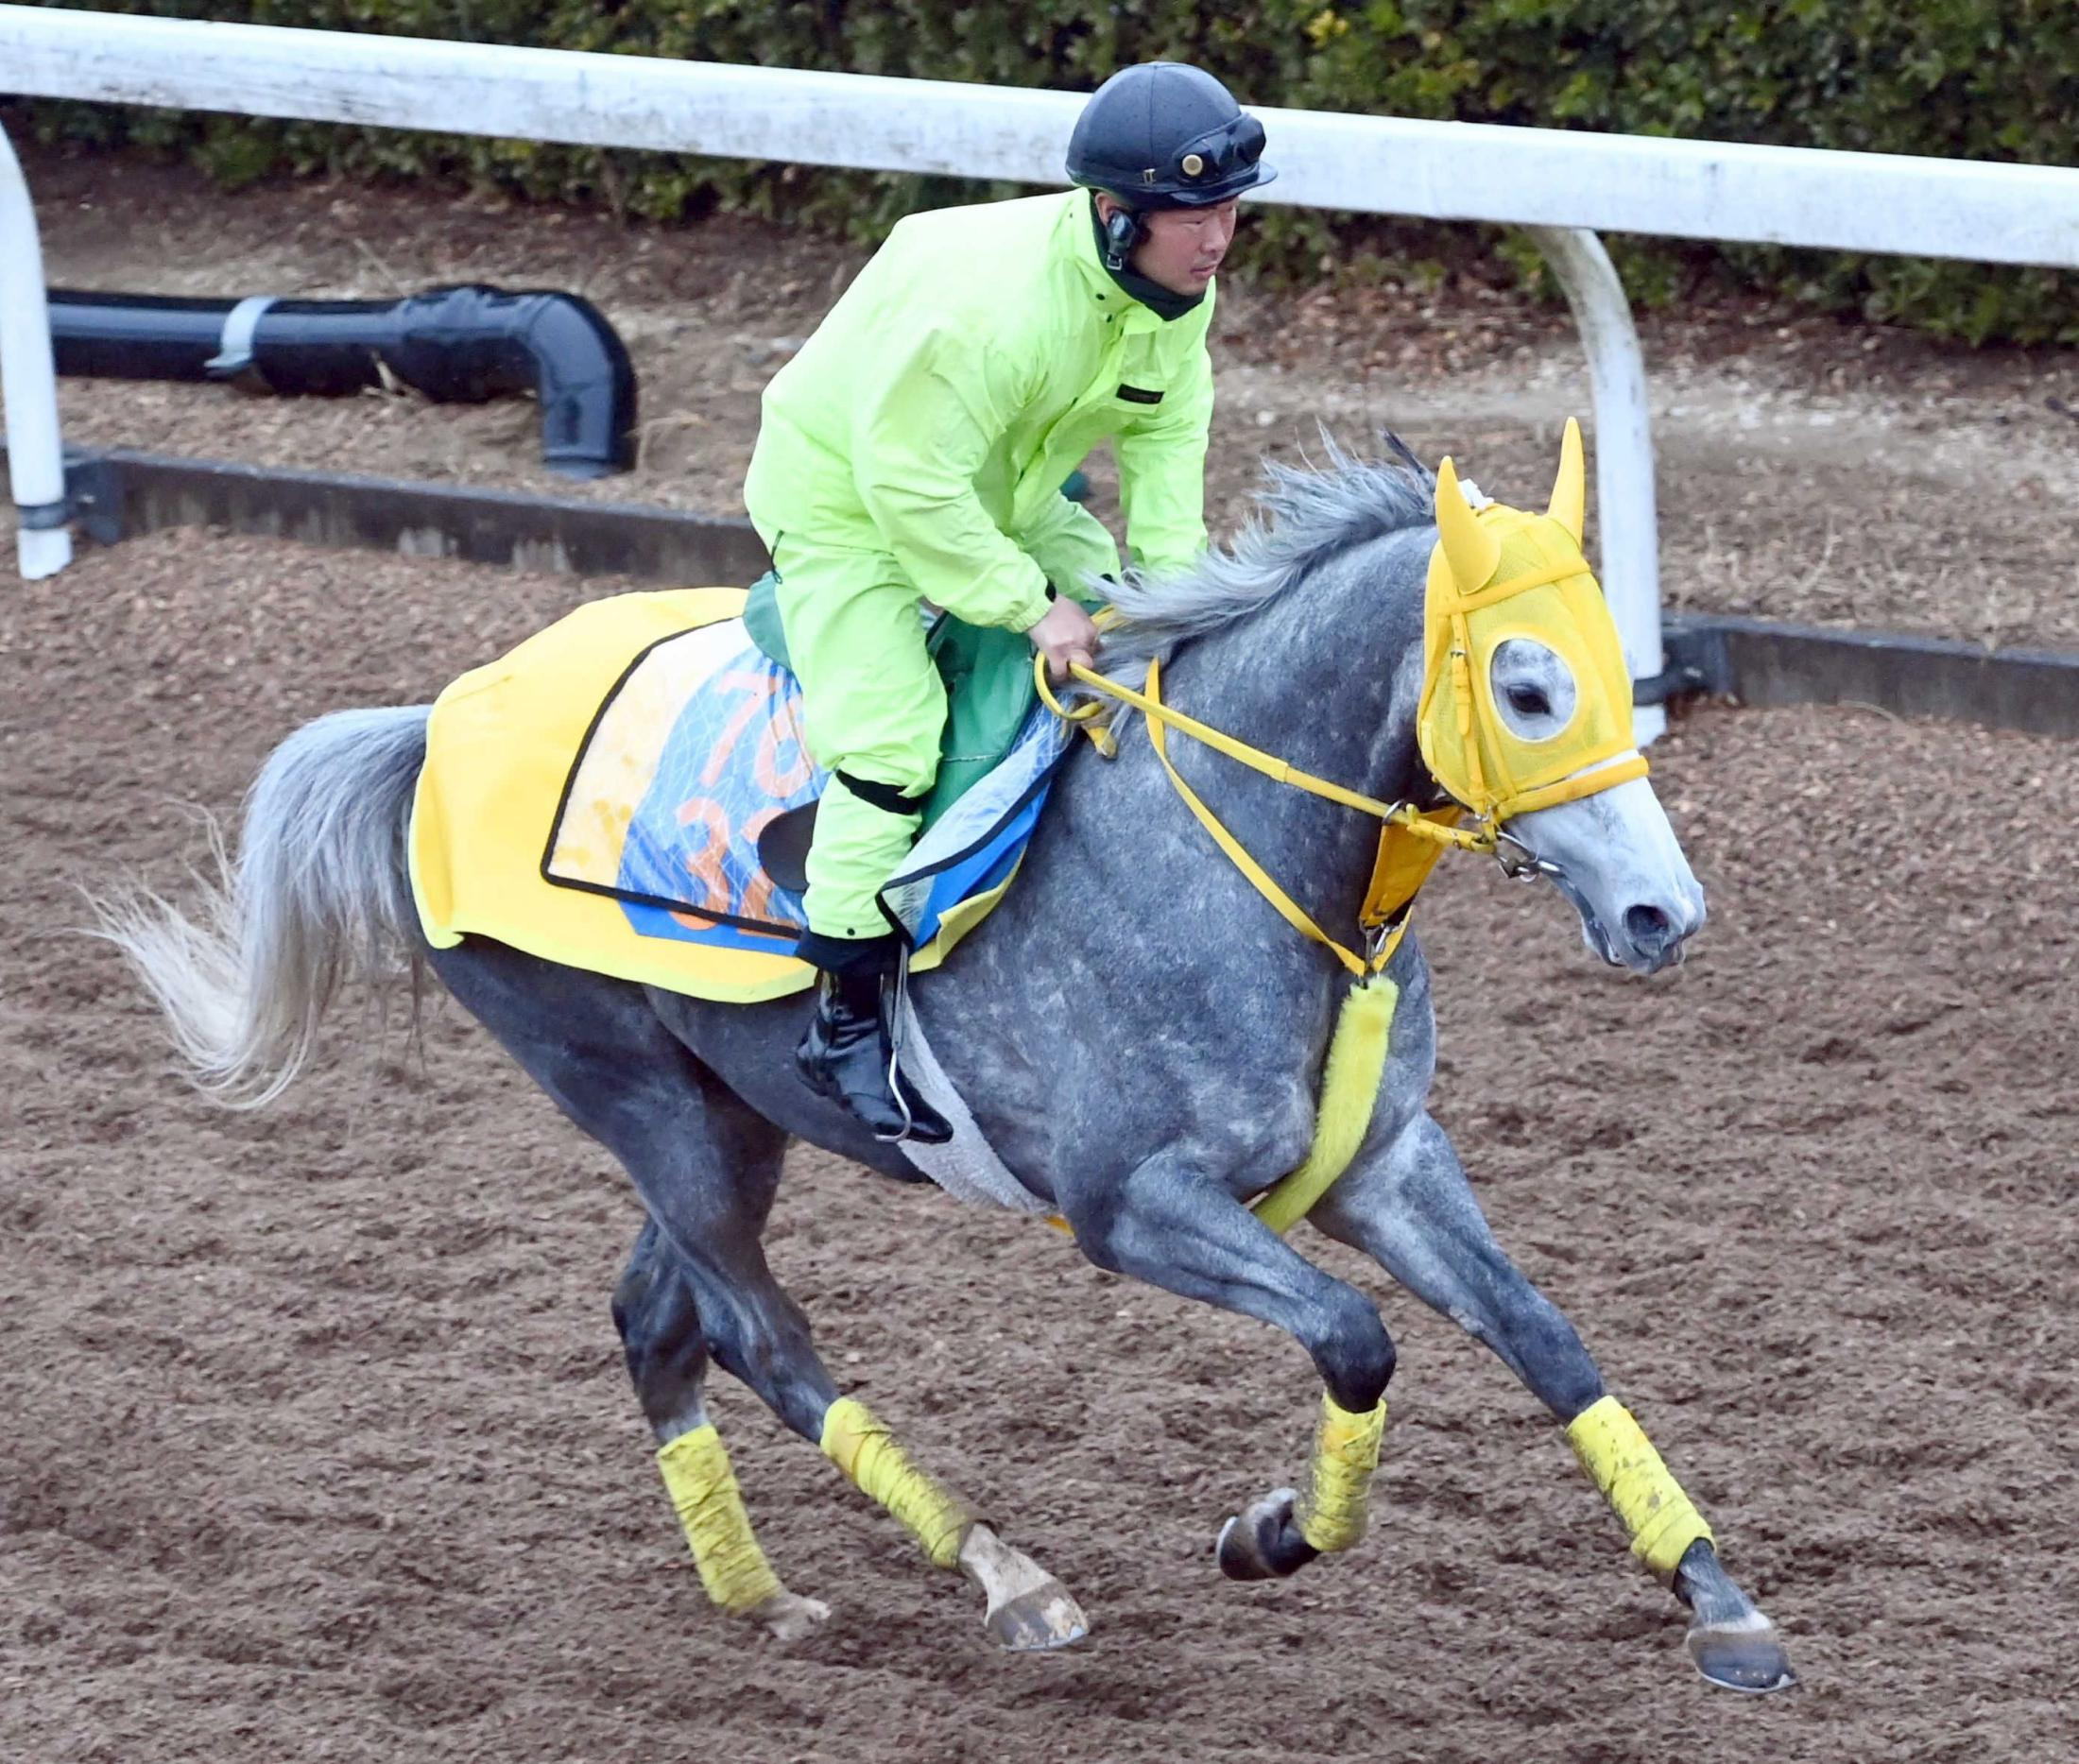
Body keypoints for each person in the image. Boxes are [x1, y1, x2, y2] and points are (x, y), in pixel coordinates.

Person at [741, 60, 1275, 1142]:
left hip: (1007, 493)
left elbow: (1169, 446)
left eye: (1228, 210)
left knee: (1139, 640)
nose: (1217, 238)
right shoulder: (985, 311)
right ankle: (842, 1015)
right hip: (851, 499)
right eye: (1194, 217)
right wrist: (1031, 606)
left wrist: (1178, 604)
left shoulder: (1173, 288)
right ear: (1118, 216)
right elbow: (910, 487)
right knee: (893, 745)